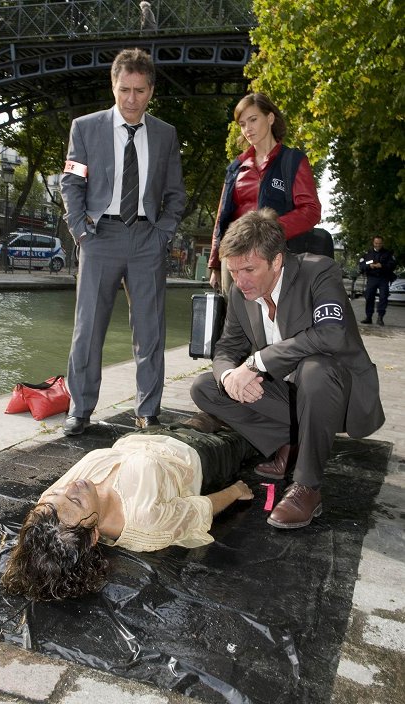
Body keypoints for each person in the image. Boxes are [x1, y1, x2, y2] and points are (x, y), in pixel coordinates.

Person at [190, 208, 385, 530]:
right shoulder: (241, 293)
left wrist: (256, 363)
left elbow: (331, 334)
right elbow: (225, 349)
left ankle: (307, 486)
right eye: (234, 271)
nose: (240, 281)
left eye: (249, 269)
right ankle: (289, 439)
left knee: (315, 370)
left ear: (277, 261)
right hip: (287, 397)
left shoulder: (319, 272)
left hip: (336, 395)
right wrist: (228, 375)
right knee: (206, 388)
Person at [60, 48, 186, 436]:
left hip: (147, 237)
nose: (131, 99)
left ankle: (148, 412)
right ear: (112, 86)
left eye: (140, 91)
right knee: (88, 328)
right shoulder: (85, 127)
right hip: (100, 236)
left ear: (151, 91)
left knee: (150, 331)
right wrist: (81, 231)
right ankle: (79, 410)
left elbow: (176, 193)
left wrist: (163, 233)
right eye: (124, 89)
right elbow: (71, 183)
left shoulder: (165, 135)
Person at [1, 428, 254, 601]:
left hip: (140, 438)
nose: (70, 487)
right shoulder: (146, 522)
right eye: (75, 499)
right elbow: (199, 511)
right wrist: (235, 491)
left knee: (208, 409)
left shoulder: (51, 507)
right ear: (92, 536)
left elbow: (56, 501)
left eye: (55, 495)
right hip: (199, 454)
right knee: (248, 427)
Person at [208, 93, 321, 296]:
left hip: (272, 256)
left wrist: (267, 232)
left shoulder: (293, 161)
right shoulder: (236, 167)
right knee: (235, 323)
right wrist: (215, 263)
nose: (247, 128)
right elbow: (221, 219)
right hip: (233, 257)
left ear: (270, 118)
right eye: (242, 124)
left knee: (272, 322)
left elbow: (311, 211)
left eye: (253, 120)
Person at [358, 235, 397, 326]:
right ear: (373, 243)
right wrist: (369, 266)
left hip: (383, 278)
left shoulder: (388, 254)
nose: (378, 245)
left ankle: (380, 317)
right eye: (376, 243)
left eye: (379, 243)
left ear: (382, 243)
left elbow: (393, 265)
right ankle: (368, 317)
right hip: (372, 278)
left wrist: (382, 266)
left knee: (383, 297)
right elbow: (361, 265)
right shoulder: (367, 254)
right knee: (369, 297)